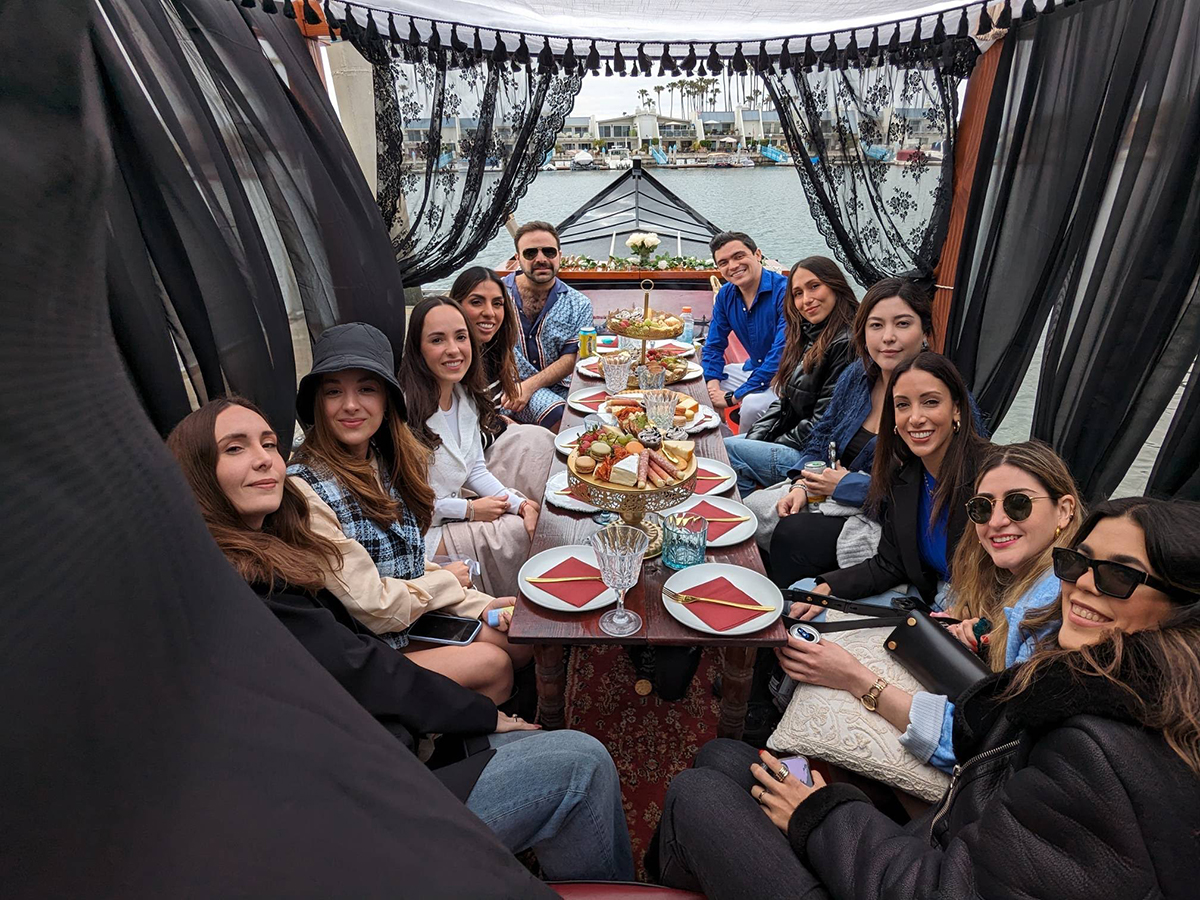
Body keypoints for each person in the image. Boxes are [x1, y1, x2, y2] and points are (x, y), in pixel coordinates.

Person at [167, 398, 635, 882]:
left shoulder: (264, 551)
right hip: (348, 821)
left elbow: (359, 654)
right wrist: (481, 713)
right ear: (199, 474)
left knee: (524, 690)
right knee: (583, 764)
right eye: (234, 448)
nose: (264, 457)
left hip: (364, 762)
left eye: (268, 443)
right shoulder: (250, 588)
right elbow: (362, 667)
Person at [652, 497, 1200, 900]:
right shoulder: (1097, 687)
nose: (1083, 585)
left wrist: (820, 814)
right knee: (723, 758)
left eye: (1119, 576)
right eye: (1077, 563)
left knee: (696, 790)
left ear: (1184, 608)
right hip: (938, 843)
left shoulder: (1099, 753)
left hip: (925, 872)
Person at [774, 440, 1081, 773]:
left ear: (1064, 510)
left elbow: (981, 743)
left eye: (1018, 504)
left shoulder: (1051, 608)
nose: (996, 521)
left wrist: (854, 677)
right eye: (982, 508)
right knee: (803, 599)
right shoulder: (1025, 576)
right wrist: (987, 636)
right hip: (962, 685)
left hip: (975, 767)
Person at [285, 322, 525, 695]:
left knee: (520, 641)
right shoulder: (305, 490)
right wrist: (449, 582)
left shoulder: (383, 462)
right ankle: (458, 747)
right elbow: (373, 608)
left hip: (407, 622)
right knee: (493, 665)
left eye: (366, 389)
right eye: (334, 392)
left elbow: (409, 562)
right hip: (367, 650)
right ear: (318, 403)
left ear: (385, 401)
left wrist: (481, 603)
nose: (351, 405)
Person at [792, 352, 992, 614]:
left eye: (930, 402)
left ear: (957, 408)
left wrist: (973, 613)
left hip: (979, 613)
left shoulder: (992, 473)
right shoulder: (904, 475)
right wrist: (829, 589)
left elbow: (1019, 572)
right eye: (903, 405)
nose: (916, 418)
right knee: (800, 594)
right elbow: (891, 564)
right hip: (932, 600)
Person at [768, 278, 935, 590]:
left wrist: (848, 485)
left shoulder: (937, 396)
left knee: (795, 534)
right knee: (759, 513)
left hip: (887, 525)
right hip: (829, 493)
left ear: (924, 331)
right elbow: (821, 435)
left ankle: (785, 621)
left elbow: (931, 499)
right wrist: (804, 484)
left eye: (902, 324)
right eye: (876, 325)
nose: (888, 337)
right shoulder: (857, 376)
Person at [399, 295, 543, 601]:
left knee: (528, 513)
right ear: (417, 350)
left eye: (460, 337)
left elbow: (475, 469)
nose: (453, 349)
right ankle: (526, 612)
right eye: (438, 340)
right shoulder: (403, 413)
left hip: (449, 511)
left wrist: (521, 505)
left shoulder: (464, 398)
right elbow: (407, 506)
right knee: (514, 534)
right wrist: (469, 510)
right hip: (421, 535)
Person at [724, 256, 857, 495]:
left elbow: (822, 424)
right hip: (798, 442)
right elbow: (784, 404)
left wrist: (772, 443)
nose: (807, 300)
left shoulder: (845, 343)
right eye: (797, 293)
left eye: (814, 286)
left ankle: (745, 513)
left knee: (727, 451)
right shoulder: (812, 335)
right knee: (727, 447)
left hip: (814, 458)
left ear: (835, 285)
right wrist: (756, 439)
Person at [450, 266, 557, 504]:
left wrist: (496, 421)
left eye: (497, 304)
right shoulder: (452, 364)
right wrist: (497, 426)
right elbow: (458, 446)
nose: (489, 313)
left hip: (488, 443)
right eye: (477, 302)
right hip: (467, 469)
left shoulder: (491, 352)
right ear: (455, 306)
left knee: (549, 444)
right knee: (545, 462)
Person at [501, 221, 595, 431]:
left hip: (557, 386)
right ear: (517, 259)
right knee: (561, 418)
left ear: (559, 256)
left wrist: (528, 386)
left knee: (590, 418)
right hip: (504, 387)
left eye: (549, 252)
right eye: (530, 253)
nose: (541, 259)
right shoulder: (497, 296)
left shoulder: (578, 304)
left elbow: (571, 358)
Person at [701, 231, 789, 434]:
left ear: (757, 254)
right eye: (723, 262)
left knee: (752, 404)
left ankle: (743, 454)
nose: (732, 266)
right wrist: (713, 387)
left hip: (787, 378)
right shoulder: (726, 295)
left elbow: (781, 353)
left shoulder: (784, 293)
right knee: (700, 386)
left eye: (739, 256)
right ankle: (723, 439)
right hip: (756, 368)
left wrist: (734, 397)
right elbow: (714, 345)